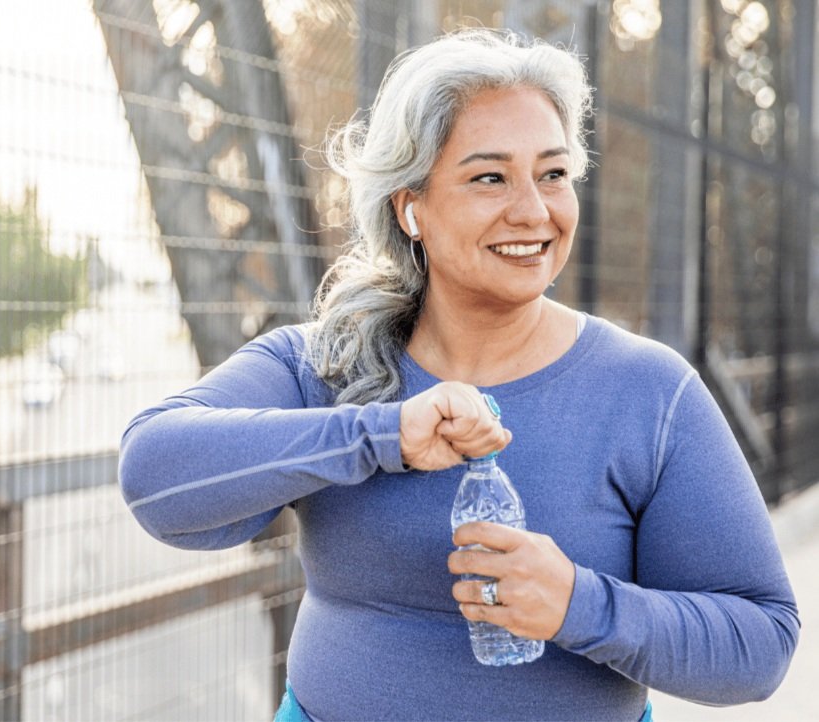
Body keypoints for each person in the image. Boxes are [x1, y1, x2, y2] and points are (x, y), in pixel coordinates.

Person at [118, 28, 799, 722]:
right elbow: (152, 476)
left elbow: (761, 646)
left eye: (554, 174)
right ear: (410, 207)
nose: (534, 211)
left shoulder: (649, 391)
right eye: (489, 176)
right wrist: (381, 435)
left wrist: (578, 604)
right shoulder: (325, 365)